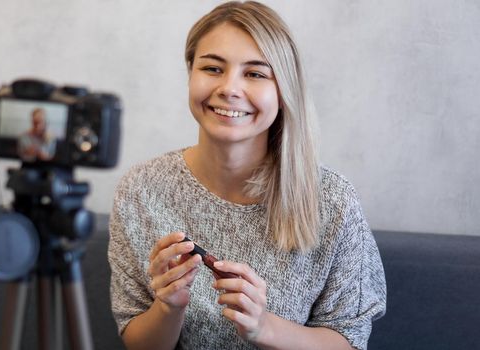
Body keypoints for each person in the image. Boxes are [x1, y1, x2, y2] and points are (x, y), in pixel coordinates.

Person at [108, 2, 386, 349]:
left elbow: (348, 340)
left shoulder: (332, 200)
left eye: (255, 73)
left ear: (283, 91)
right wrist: (168, 307)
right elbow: (138, 342)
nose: (229, 88)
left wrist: (263, 327)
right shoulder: (141, 189)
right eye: (212, 68)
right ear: (190, 73)